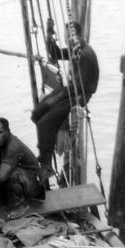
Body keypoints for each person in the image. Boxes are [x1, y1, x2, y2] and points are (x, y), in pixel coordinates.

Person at [31, 21, 98, 179]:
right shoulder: (76, 50)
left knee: (44, 122)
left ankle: (46, 163)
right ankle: (45, 150)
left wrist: (57, 98)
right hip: (69, 92)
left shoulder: (86, 54)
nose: (67, 38)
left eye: (69, 35)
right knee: (36, 113)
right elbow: (55, 54)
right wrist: (49, 34)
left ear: (78, 35)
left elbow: (80, 86)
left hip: (78, 96)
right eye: (66, 34)